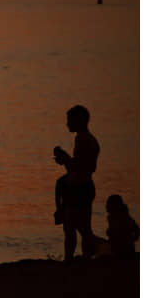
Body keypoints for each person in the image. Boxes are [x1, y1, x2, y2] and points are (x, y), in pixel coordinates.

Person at [53, 105, 100, 263]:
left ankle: (71, 259)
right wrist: (66, 160)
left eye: (69, 120)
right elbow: (83, 168)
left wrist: (65, 159)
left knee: (73, 228)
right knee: (81, 227)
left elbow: (80, 168)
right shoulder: (86, 139)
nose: (67, 124)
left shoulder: (83, 139)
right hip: (83, 186)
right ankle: (83, 258)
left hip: (79, 188)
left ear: (77, 120)